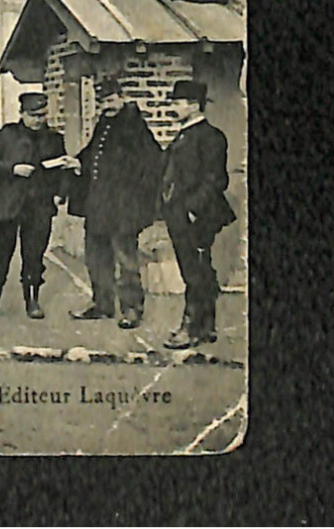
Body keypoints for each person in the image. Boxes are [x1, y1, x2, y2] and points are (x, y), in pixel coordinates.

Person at [68, 75, 163, 329]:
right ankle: (102, 305)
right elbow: (93, 153)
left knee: (125, 258)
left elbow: (151, 162)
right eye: (102, 102)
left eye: (111, 100)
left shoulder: (133, 124)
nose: (107, 106)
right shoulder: (104, 123)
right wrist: (78, 162)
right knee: (96, 255)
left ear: (121, 97)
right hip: (99, 202)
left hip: (123, 204)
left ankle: (131, 309)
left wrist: (135, 194)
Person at [0, 92, 76, 320]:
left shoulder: (54, 139)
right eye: (32, 115)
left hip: (39, 205)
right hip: (7, 204)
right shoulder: (7, 135)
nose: (37, 120)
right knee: (0, 253)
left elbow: (63, 169)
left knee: (34, 255)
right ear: (21, 114)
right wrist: (13, 169)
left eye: (41, 115)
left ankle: (32, 300)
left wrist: (60, 194)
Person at [158, 80, 235, 349]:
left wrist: (192, 209)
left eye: (178, 102)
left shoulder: (211, 137)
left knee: (194, 271)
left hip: (198, 215)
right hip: (180, 213)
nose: (174, 107)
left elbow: (216, 180)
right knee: (199, 268)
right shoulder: (184, 135)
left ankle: (190, 329)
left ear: (193, 105)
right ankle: (206, 325)